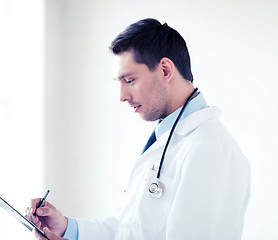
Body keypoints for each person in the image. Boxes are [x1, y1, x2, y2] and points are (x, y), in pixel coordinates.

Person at [25, 18, 250, 240]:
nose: (122, 96)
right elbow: (129, 229)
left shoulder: (210, 149)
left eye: (130, 80)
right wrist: (66, 228)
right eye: (119, 83)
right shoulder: (165, 140)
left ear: (164, 70)